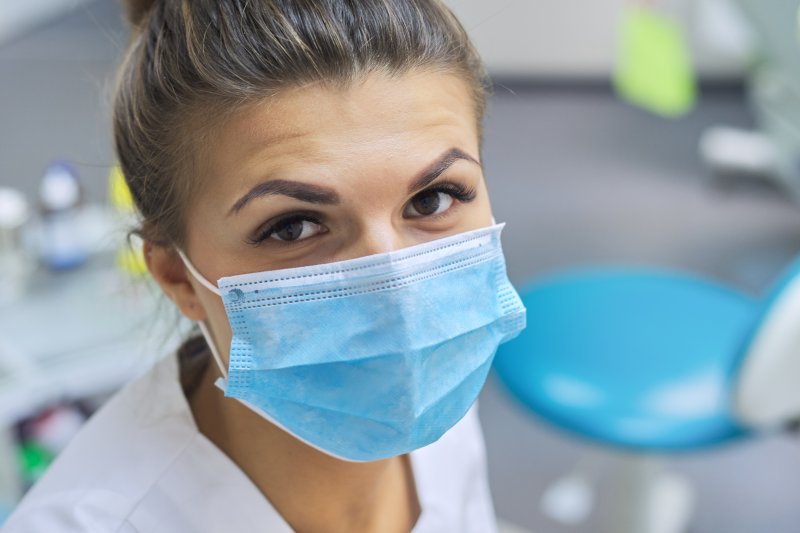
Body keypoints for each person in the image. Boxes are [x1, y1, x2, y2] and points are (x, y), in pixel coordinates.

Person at [2, 1, 526, 531]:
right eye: (293, 227)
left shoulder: (443, 393)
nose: (401, 299)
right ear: (177, 276)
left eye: (434, 199)